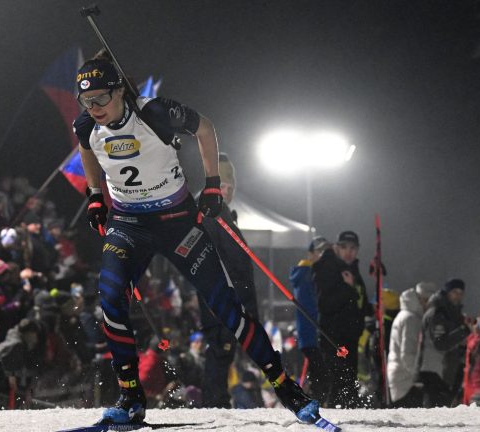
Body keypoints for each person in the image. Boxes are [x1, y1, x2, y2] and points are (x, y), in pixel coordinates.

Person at [73, 51, 319, 425]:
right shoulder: (85, 125)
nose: (94, 108)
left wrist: (213, 184)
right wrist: (94, 195)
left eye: (101, 99)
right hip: (128, 223)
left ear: (120, 90)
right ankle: (130, 397)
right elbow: (87, 148)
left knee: (227, 309)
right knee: (109, 301)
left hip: (176, 222)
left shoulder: (153, 112)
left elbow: (205, 128)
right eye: (87, 101)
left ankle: (287, 387)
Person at [199, 153, 260, 408]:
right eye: (230, 187)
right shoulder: (215, 214)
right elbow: (236, 262)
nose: (232, 192)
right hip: (223, 295)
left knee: (222, 349)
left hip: (219, 293)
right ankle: (215, 402)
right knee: (221, 348)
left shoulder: (217, 212)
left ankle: (217, 399)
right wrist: (248, 305)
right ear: (223, 187)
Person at [312, 230, 372, 408]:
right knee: (338, 381)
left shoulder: (352, 268)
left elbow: (358, 300)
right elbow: (325, 304)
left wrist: (372, 308)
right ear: (336, 247)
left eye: (353, 248)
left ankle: (349, 417)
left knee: (349, 381)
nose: (349, 252)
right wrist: (348, 288)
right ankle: (333, 417)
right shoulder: (327, 267)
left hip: (351, 335)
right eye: (344, 247)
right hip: (334, 337)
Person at [418, 278, 471, 407]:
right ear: (447, 292)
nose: (458, 295)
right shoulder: (437, 312)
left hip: (447, 370)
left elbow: (453, 340)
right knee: (434, 414)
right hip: (435, 371)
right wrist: (465, 330)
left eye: (460, 292)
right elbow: (440, 343)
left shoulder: (454, 314)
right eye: (454, 292)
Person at [289, 236, 328, 396]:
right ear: (311, 253)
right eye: (320, 251)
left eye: (326, 252)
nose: (323, 256)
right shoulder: (307, 273)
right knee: (321, 378)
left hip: (313, 334)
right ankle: (315, 404)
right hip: (312, 334)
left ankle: (316, 400)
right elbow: (312, 306)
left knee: (319, 376)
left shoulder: (313, 272)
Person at [387, 287, 426, 408]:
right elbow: (407, 352)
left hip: (397, 375)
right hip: (406, 380)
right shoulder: (411, 319)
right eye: (422, 300)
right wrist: (416, 378)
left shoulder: (402, 316)